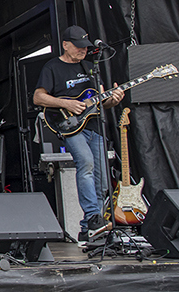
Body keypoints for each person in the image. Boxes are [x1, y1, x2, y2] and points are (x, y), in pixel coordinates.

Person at [33, 25, 124, 242]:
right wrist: (66, 103)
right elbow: (38, 97)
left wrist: (113, 100)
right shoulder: (52, 67)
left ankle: (90, 228)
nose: (83, 50)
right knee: (86, 164)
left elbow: (101, 102)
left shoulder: (90, 67)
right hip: (70, 126)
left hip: (94, 126)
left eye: (85, 46)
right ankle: (92, 216)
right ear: (65, 45)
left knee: (102, 177)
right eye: (78, 46)